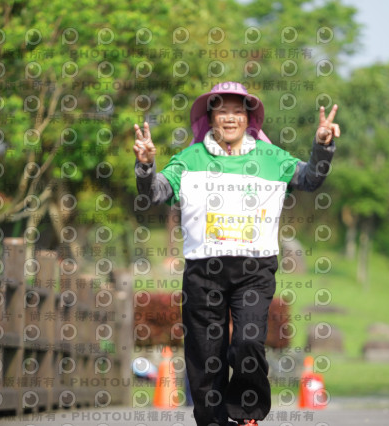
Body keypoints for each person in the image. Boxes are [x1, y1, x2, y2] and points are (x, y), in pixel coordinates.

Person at [133, 82, 340, 426]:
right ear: (210, 117)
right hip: (202, 271)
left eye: (237, 111)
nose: (229, 118)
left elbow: (310, 178)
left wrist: (323, 146)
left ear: (248, 118)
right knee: (204, 358)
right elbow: (156, 192)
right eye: (221, 110)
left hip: (254, 270)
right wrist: (145, 166)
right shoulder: (190, 159)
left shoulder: (272, 159)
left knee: (247, 342)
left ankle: (247, 415)